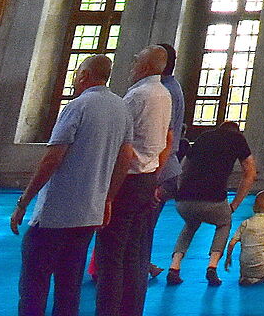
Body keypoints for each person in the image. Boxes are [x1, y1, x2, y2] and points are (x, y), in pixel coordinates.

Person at [13, 54, 133, 316]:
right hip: (89, 212)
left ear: (84, 76)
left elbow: (52, 158)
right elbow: (126, 158)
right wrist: (108, 198)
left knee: (34, 284)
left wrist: (24, 201)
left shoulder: (76, 107)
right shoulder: (122, 108)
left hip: (56, 212)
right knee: (69, 285)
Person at [94, 45, 173, 316]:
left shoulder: (137, 95)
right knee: (134, 254)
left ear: (148, 66)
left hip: (127, 181)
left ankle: (108, 310)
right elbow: (165, 142)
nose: (132, 65)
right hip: (147, 179)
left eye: (136, 60)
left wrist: (108, 193)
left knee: (111, 254)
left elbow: (120, 140)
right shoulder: (164, 94)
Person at [163, 120, 254, 286]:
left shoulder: (204, 137)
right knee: (224, 223)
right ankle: (212, 266)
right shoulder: (238, 139)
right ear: (237, 131)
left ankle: (174, 266)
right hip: (213, 199)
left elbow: (183, 169)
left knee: (190, 224)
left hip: (184, 201)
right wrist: (234, 205)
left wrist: (179, 192)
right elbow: (250, 172)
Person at [147, 48, 185, 281]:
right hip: (166, 167)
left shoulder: (165, 92)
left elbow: (166, 137)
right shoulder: (170, 88)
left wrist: (153, 177)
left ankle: (138, 265)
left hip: (160, 168)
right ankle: (141, 263)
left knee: (142, 223)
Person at [229, 191, 264, 286]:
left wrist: (228, 258)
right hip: (262, 267)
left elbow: (232, 243)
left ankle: (247, 277)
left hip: (245, 268)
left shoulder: (245, 223)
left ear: (254, 207)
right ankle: (261, 276)